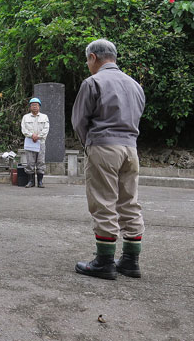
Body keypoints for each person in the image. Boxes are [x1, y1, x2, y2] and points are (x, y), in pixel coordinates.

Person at [72, 39, 145, 280]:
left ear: (93, 57)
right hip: (130, 149)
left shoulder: (93, 82)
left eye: (87, 60)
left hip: (103, 146)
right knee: (129, 203)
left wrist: (89, 144)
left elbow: (79, 121)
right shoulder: (135, 85)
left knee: (104, 202)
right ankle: (131, 261)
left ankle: (104, 262)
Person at [21, 97, 49, 188]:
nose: (34, 107)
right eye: (33, 105)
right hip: (30, 142)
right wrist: (31, 135)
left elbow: (46, 129)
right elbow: (23, 129)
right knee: (30, 162)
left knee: (41, 161)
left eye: (36, 105)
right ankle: (31, 181)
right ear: (30, 107)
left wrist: (38, 136)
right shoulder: (25, 117)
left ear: (39, 107)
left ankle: (40, 182)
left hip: (40, 142)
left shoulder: (44, 117)